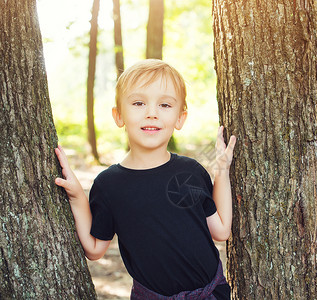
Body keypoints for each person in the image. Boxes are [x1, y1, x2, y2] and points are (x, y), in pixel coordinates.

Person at [55, 59, 236, 299]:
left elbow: (222, 231)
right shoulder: (109, 185)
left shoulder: (190, 172)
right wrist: (77, 196)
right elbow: (95, 249)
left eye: (164, 104)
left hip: (210, 294)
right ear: (118, 116)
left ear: (180, 118)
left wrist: (221, 172)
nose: (151, 113)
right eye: (139, 103)